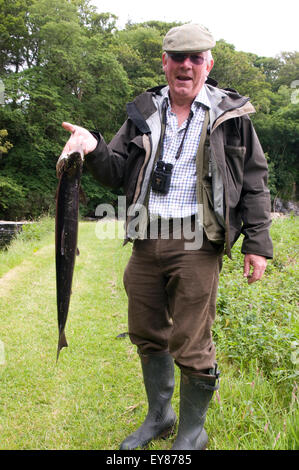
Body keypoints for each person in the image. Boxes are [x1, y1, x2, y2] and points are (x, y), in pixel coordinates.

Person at [57, 23, 273, 450]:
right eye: (178, 58)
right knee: (147, 332)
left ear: (208, 64)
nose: (186, 66)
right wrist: (91, 146)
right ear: (165, 62)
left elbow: (255, 182)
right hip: (145, 239)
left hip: (198, 241)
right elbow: (116, 169)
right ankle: (160, 417)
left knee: (191, 341)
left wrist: (258, 244)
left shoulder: (231, 117)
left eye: (196, 58)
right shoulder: (143, 111)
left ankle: (193, 432)